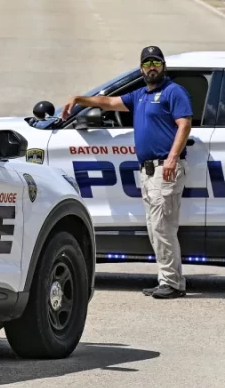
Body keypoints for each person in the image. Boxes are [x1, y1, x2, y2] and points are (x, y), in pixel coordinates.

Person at [61, 45, 193, 300]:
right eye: (147, 64)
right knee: (157, 228)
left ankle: (173, 283)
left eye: (156, 63)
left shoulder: (173, 92)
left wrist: (172, 158)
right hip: (148, 171)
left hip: (165, 168)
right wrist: (79, 99)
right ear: (142, 68)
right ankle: (168, 280)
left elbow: (184, 124)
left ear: (163, 66)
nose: (152, 67)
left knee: (162, 227)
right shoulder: (140, 95)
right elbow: (108, 102)